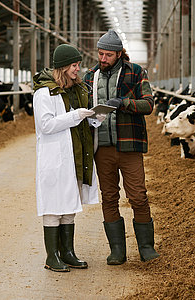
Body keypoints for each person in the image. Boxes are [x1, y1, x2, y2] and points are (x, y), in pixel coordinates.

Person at [83, 29, 159, 265]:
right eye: (100, 53)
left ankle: (146, 248)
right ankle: (117, 250)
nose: (102, 58)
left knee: (138, 196)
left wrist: (123, 103)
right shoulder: (89, 77)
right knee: (109, 197)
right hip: (102, 147)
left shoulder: (135, 72)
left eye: (107, 54)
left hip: (129, 145)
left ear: (118, 54)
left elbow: (148, 104)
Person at [33, 44, 105, 272]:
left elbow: (79, 120)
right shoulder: (44, 93)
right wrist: (74, 116)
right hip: (55, 157)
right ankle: (51, 257)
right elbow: (45, 126)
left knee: (69, 205)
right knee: (54, 206)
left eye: (78, 65)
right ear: (63, 67)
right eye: (74, 65)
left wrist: (94, 118)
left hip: (75, 155)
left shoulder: (76, 90)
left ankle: (68, 253)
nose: (78, 69)